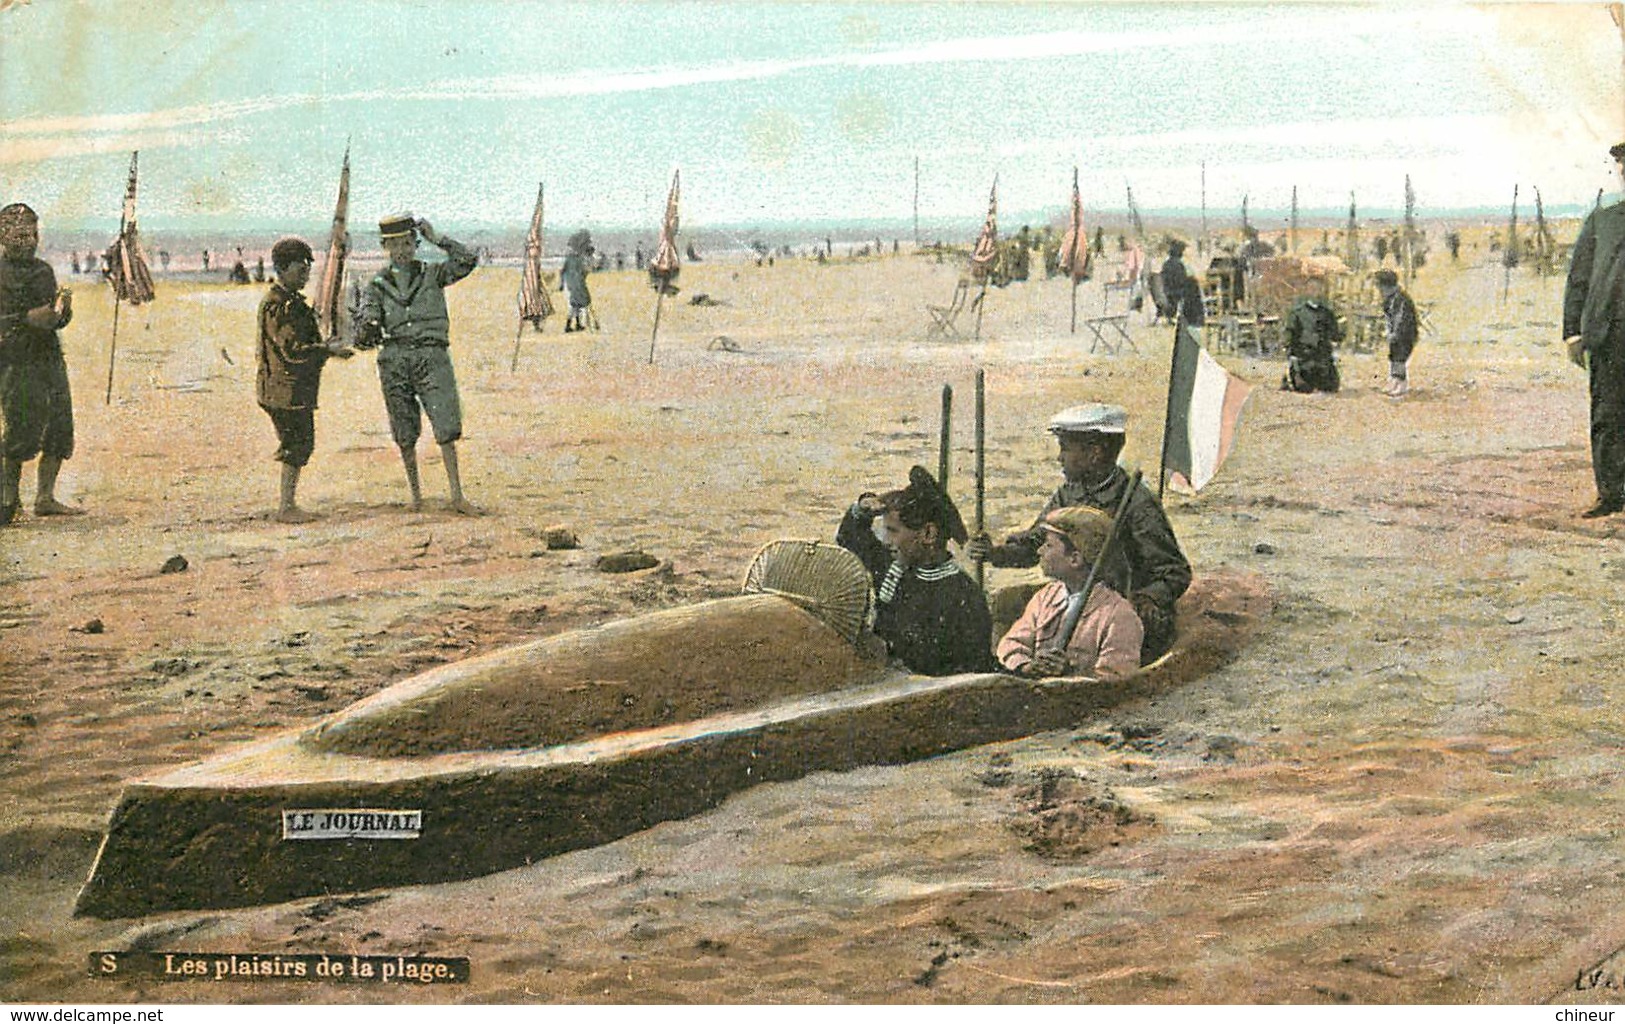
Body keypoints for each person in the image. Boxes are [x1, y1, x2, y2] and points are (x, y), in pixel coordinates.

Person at [967, 404, 1191, 662]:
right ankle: (1008, 666)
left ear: (1094, 453)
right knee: (1007, 602)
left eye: (1065, 448)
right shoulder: (1068, 493)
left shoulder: (1136, 501)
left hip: (1121, 601)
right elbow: (1036, 544)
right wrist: (996, 553)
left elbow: (1175, 571)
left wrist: (1148, 597)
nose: (1059, 458)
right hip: (1076, 592)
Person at [352, 212, 479, 514]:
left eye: (407, 243)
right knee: (404, 429)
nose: (402, 251)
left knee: (446, 425)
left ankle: (456, 496)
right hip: (395, 359)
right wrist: (367, 325)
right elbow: (366, 325)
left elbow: (468, 261)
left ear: (416, 243)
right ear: (385, 246)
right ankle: (417, 498)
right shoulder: (377, 285)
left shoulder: (433, 274)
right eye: (395, 245)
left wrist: (439, 239)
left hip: (432, 355)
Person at [835, 465, 995, 676]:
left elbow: (969, 671)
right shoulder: (894, 566)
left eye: (892, 531)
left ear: (928, 534)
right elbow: (851, 537)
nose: (886, 540)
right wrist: (863, 508)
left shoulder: (964, 595)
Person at [256, 237, 353, 523]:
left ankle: (288, 503)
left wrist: (329, 350)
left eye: (308, 269)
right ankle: (286, 507)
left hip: (289, 389)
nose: (306, 274)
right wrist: (327, 350)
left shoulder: (288, 301)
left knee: (298, 444)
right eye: (301, 269)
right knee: (296, 445)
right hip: (285, 391)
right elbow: (291, 350)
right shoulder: (279, 305)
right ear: (283, 269)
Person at [995, 505, 1143, 680]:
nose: (1039, 551)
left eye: (1049, 545)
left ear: (1075, 559)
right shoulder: (1046, 597)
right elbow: (1012, 643)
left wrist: (1072, 673)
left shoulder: (1118, 615)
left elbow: (1117, 681)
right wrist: (1028, 666)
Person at [0, 203, 80, 525]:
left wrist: (62, 314)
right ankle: (8, 500)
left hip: (48, 357)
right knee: (21, 428)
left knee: (60, 426)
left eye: (32, 234)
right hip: (14, 361)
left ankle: (45, 497)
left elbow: (52, 317)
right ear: (3, 236)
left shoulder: (43, 271)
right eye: (19, 235)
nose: (27, 241)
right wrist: (24, 319)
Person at [1564, 140, 1625, 518]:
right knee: (1608, 416)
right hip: (1609, 336)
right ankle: (1613, 493)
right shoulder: (1603, 220)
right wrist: (1573, 331)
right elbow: (1579, 279)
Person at [1281, 273, 1342, 393]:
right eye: (1312, 289)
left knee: (1330, 387)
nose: (1315, 292)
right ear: (1307, 290)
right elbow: (1289, 335)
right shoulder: (1297, 313)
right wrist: (1291, 355)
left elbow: (1335, 335)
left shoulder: (1327, 314)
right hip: (1304, 359)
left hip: (1322, 359)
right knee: (1304, 388)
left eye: (1318, 289)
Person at [1373, 269, 1418, 397]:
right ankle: (1395, 380)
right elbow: (1388, 318)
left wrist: (1395, 333)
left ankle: (1401, 382)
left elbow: (1401, 319)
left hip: (1405, 333)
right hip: (1396, 332)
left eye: (1380, 287)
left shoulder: (1400, 299)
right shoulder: (1389, 298)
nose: (1379, 290)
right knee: (1394, 355)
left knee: (1399, 356)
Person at [559, 230, 593, 333]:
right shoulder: (577, 259)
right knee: (576, 304)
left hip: (572, 284)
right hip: (577, 284)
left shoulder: (571, 259)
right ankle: (569, 325)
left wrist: (562, 283)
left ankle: (577, 324)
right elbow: (583, 272)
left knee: (576, 305)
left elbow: (563, 271)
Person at [1158, 239, 1191, 322]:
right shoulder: (1178, 265)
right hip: (1175, 292)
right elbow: (1181, 281)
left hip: (1167, 291)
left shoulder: (1166, 264)